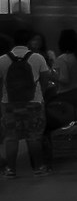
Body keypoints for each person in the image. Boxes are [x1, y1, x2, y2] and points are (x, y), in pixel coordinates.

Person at [0, 35, 51, 177]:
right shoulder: (38, 58)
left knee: (11, 137)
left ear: (13, 44)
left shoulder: (2, 60)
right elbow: (45, 79)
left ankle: (11, 170)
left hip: (9, 104)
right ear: (28, 43)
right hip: (34, 103)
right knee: (34, 136)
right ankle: (39, 168)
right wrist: (40, 94)